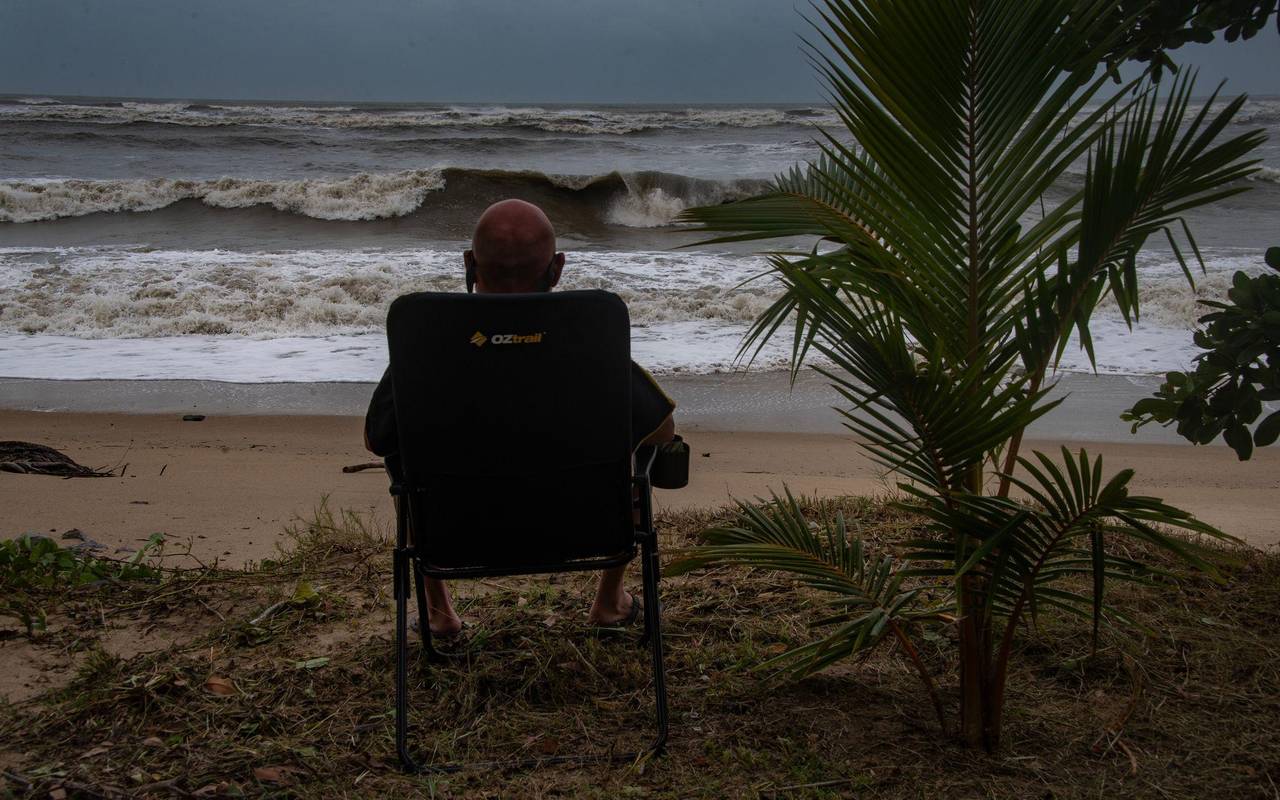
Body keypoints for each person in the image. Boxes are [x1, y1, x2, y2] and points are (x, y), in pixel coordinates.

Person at [364, 198, 676, 637]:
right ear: (557, 268)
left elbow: (377, 439)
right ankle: (608, 601)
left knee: (402, 459)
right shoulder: (589, 338)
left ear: (470, 264)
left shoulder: (427, 342)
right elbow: (662, 430)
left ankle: (439, 613)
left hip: (455, 533)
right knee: (640, 447)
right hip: (584, 529)